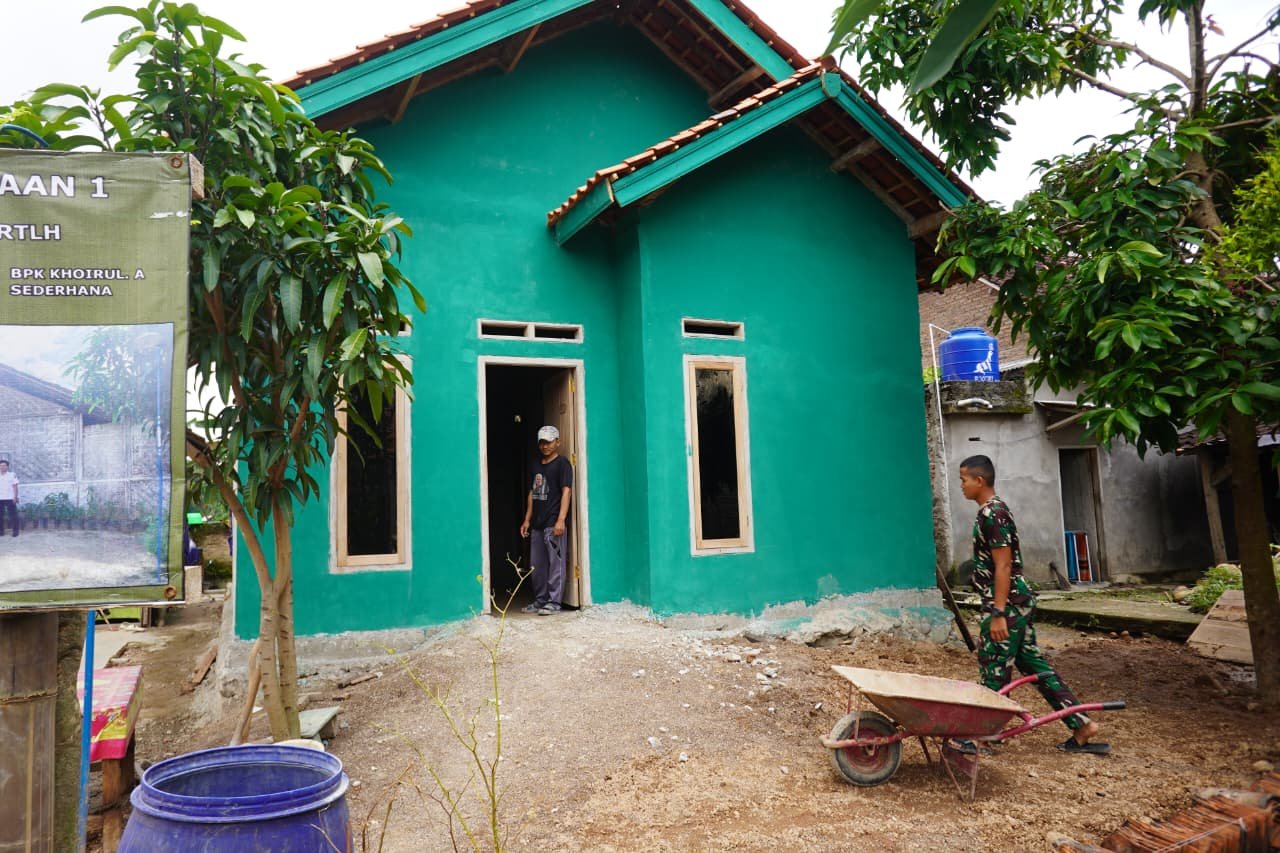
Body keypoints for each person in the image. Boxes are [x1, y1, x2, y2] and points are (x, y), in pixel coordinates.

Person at [959, 454, 1108, 755]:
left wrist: (998, 612)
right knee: (1035, 666)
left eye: (964, 480)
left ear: (979, 480)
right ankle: (1081, 724)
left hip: (1008, 604)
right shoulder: (990, 512)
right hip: (1016, 601)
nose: (961, 486)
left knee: (994, 665)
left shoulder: (993, 514)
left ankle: (982, 735)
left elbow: (1003, 565)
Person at [520, 425, 573, 615]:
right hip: (537, 522)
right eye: (542, 442)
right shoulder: (535, 465)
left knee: (555, 563)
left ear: (558, 442)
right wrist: (527, 520)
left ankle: (554, 602)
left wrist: (561, 520)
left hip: (553, 521)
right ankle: (540, 600)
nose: (545, 446)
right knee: (537, 565)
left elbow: (566, 492)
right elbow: (531, 493)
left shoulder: (563, 464)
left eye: (549, 442)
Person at [0, 460, 18, 538]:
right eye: (1, 465)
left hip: (10, 498)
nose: (2, 467)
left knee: (13, 515)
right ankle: (1, 531)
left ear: (7, 467)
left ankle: (15, 531)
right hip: (0, 498)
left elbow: (15, 487)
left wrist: (15, 497)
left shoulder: (12, 475)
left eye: (4, 465)